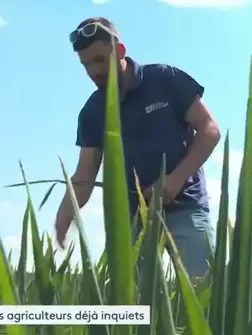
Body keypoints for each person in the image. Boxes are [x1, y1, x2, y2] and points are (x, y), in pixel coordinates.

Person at [54, 17, 220, 281]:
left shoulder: (165, 79)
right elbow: (85, 175)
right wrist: (65, 212)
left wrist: (174, 181)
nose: (93, 71)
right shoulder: (92, 112)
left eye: (99, 60)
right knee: (138, 309)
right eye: (86, 65)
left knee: (202, 296)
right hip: (132, 220)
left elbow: (210, 130)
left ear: (119, 51)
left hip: (185, 205)